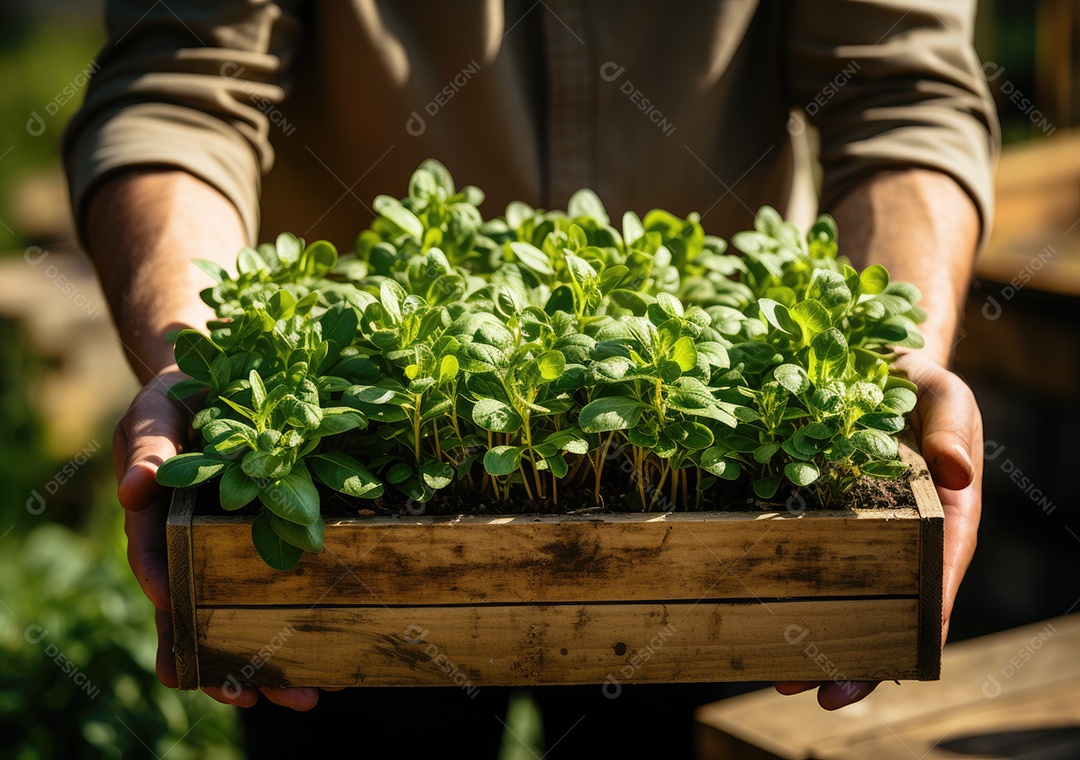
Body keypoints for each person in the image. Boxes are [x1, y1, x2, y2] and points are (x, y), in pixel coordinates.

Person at [63, 1, 997, 755]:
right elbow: (178, 89)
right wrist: (199, 359)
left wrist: (893, 359)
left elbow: (903, 86)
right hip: (340, 537)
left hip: (728, 571)